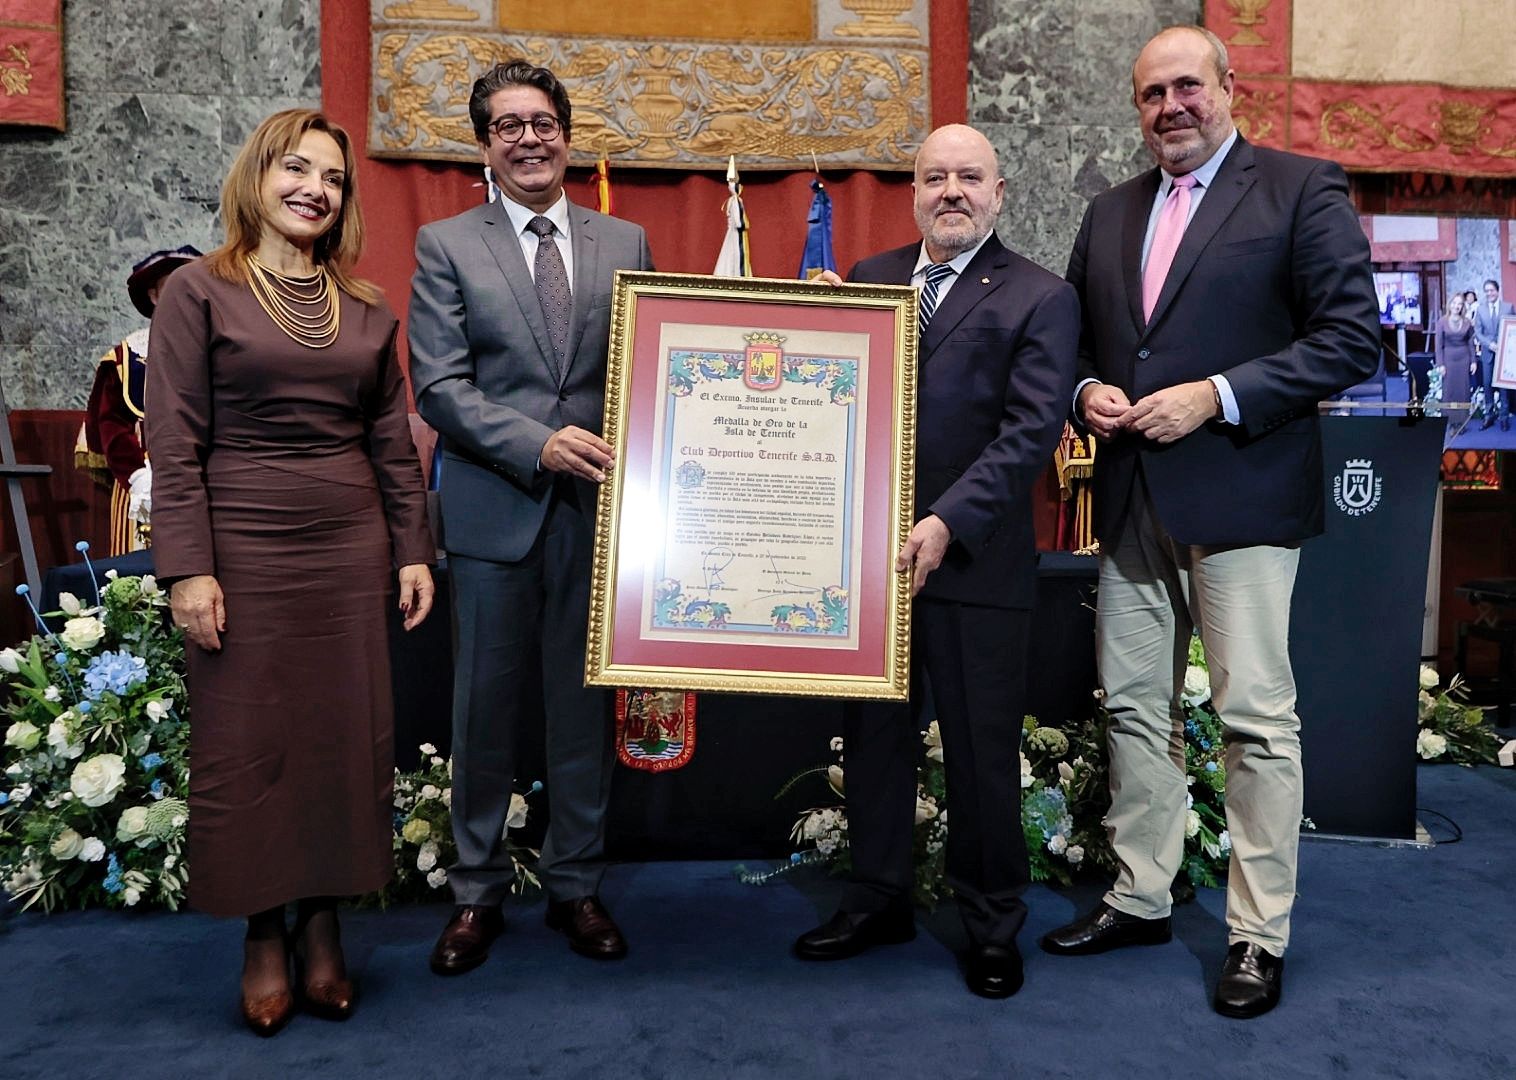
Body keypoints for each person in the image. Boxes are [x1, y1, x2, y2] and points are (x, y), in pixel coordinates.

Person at [1041, 26, 1379, 1019]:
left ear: (1229, 89)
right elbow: (1070, 340)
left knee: (1253, 722)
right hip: (1132, 497)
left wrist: (1218, 395)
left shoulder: (1298, 187)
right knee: (1134, 707)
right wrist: (1089, 388)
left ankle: (1254, 935)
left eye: (1187, 86)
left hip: (1241, 493)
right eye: (1151, 94)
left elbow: (1348, 338)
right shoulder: (1109, 213)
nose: (1169, 107)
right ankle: (1142, 895)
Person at [147, 109, 436, 1036]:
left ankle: (325, 923)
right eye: (296, 167)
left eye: (334, 177)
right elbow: (174, 441)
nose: (316, 187)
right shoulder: (198, 292)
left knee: (341, 741)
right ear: (257, 177)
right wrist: (188, 569)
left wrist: (412, 549)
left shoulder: (366, 307)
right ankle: (264, 930)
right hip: (244, 549)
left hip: (349, 549)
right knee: (252, 744)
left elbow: (391, 443)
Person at [790, 124, 1079, 999]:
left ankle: (992, 922)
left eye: (969, 177)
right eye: (934, 178)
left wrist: (948, 521)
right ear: (914, 192)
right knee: (875, 745)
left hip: (974, 566)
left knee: (979, 754)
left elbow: (1030, 432)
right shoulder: (870, 282)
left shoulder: (1041, 295)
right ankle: (877, 897)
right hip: (871, 570)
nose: (951, 191)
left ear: (999, 191)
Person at [408, 59, 654, 976]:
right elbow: (439, 386)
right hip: (493, 511)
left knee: (582, 711)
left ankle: (576, 885)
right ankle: (474, 893)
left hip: (598, 515)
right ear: (484, 146)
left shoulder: (623, 238)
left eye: (543, 121)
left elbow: (656, 365)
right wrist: (536, 444)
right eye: (507, 124)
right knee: (483, 712)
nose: (528, 138)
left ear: (566, 134)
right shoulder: (445, 243)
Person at [74, 245, 201, 555]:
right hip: (142, 482)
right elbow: (111, 424)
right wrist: (138, 477)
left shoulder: (223, 349)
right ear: (154, 295)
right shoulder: (126, 355)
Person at [1473, 278, 1515, 429]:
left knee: (1503, 386)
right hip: (1487, 352)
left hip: (1504, 354)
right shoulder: (1481, 309)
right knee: (1487, 385)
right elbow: (1477, 332)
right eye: (1487, 291)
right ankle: (1489, 415)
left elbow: (1513, 328)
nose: (1489, 293)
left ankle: (1504, 417)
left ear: (1497, 291)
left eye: (1492, 290)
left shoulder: (1509, 307)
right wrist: (1489, 344)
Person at [1434, 292, 1477, 412]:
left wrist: (1473, 361)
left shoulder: (1467, 322)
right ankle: (1449, 421)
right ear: (1449, 304)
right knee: (1449, 391)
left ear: (1463, 306)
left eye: (1460, 304)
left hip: (1464, 360)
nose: (1456, 306)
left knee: (1463, 391)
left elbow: (1470, 343)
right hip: (1448, 361)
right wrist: (1440, 364)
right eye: (1454, 303)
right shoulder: (1441, 322)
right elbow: (1438, 345)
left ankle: (1461, 421)